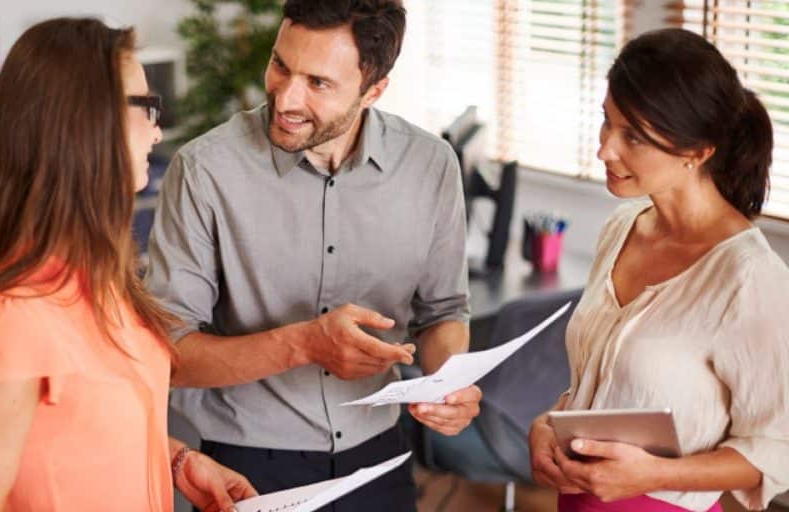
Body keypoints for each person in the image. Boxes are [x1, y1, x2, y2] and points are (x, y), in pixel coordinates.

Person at [145, 1, 482, 510]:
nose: (285, 98)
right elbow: (170, 356)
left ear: (374, 90)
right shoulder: (203, 172)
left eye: (318, 83)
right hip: (245, 464)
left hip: (382, 457)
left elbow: (442, 313)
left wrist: (450, 383)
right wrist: (304, 344)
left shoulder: (431, 166)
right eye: (281, 65)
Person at [0, 18, 256, 512]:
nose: (157, 129)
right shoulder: (15, 321)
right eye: (146, 107)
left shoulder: (105, 280)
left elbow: (84, 436)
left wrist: (176, 461)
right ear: (88, 123)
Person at [528, 28, 789, 512]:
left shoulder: (750, 278)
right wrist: (547, 422)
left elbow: (776, 450)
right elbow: (601, 381)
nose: (605, 149)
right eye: (606, 123)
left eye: (633, 136)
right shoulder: (622, 227)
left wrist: (657, 474)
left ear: (698, 151)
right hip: (577, 501)